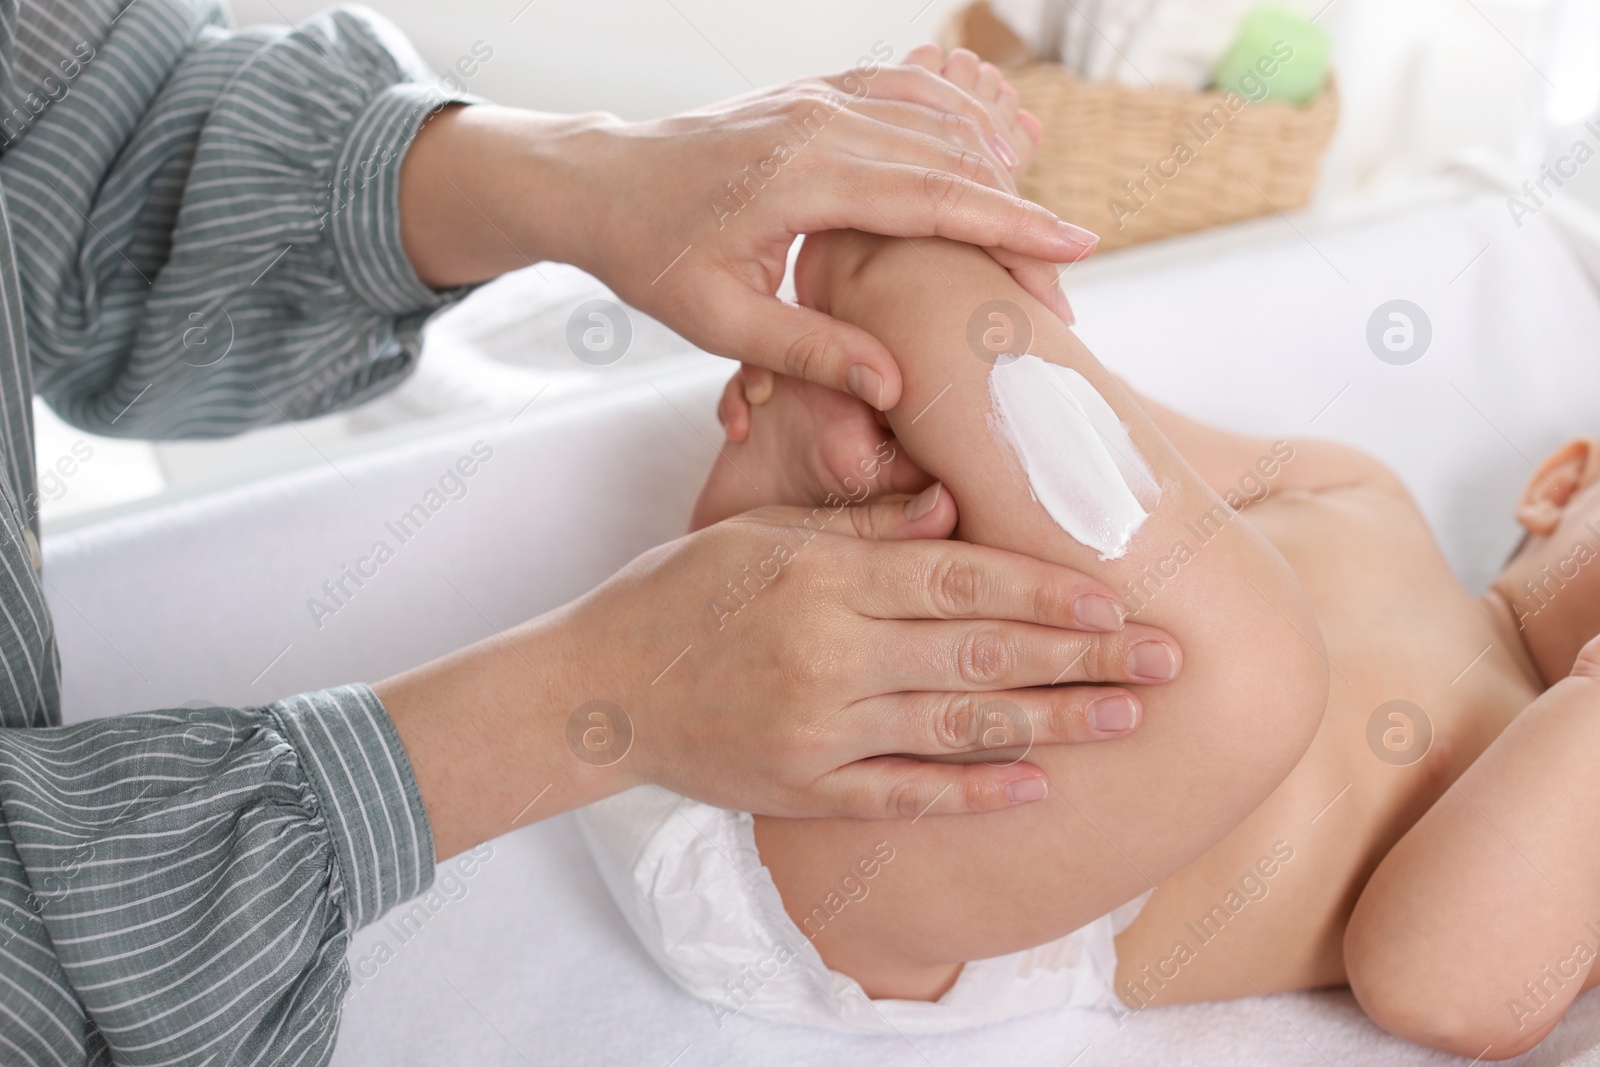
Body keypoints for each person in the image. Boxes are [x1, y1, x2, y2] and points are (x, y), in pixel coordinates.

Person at [0, 5, 1186, 1064]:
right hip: (801, 860)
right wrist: (591, 693)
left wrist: (578, 173)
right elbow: (1248, 660)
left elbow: (86, 143)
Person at [597, 44, 1600, 1059]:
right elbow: (1102, 445)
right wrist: (949, 413)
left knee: (1253, 673)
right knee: (1070, 490)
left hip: (911, 877)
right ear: (1559, 486)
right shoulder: (1362, 495)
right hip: (794, 671)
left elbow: (1438, 983)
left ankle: (891, 274)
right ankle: (824, 464)